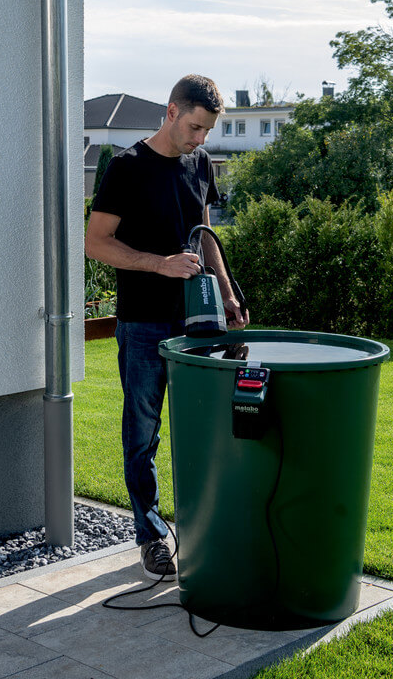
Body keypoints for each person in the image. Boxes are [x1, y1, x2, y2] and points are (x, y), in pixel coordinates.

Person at [85, 74, 249, 581]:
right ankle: (152, 536)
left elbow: (204, 234)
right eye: (195, 128)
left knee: (204, 429)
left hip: (198, 318)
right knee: (143, 435)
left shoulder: (200, 163)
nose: (201, 139)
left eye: (207, 131)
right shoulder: (127, 167)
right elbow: (96, 242)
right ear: (172, 112)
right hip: (143, 324)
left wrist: (227, 293)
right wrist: (160, 265)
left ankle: (203, 527)